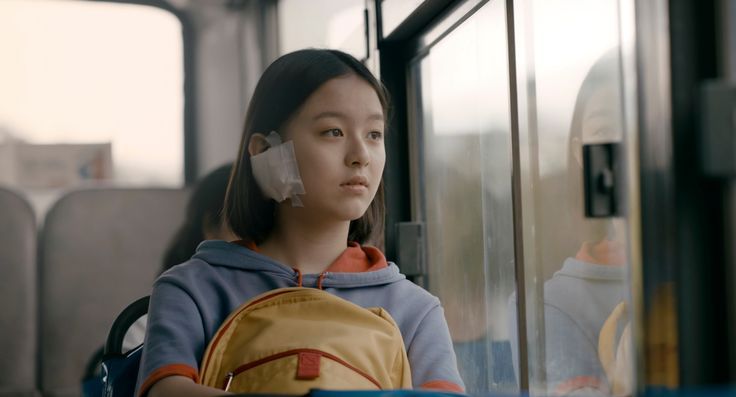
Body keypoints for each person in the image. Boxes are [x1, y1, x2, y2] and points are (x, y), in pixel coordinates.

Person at [134, 49, 464, 397]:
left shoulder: (415, 308)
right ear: (266, 152)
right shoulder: (193, 288)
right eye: (333, 131)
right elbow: (166, 390)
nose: (361, 156)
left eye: (374, 134)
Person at [507, 48, 630, 396]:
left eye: (641, 118)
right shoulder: (547, 307)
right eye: (606, 127)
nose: (626, 141)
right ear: (580, 153)